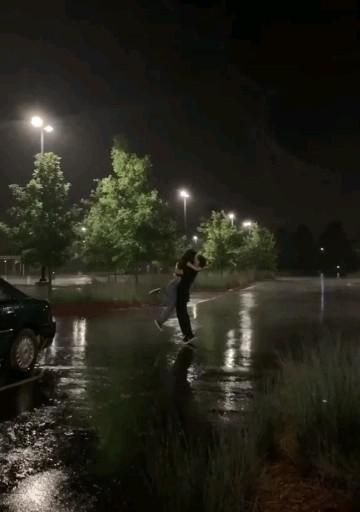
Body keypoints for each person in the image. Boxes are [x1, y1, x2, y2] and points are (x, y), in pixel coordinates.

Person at [154, 249, 203, 331]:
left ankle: (160, 321)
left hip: (176, 287)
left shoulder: (188, 265)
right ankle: (159, 321)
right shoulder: (184, 264)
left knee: (173, 306)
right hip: (173, 287)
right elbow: (181, 272)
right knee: (172, 305)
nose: (196, 258)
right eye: (195, 257)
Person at [176, 253, 207, 343]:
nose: (194, 260)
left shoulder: (191, 271)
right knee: (182, 314)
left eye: (196, 260)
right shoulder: (192, 269)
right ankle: (187, 335)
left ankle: (188, 335)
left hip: (182, 293)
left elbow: (178, 271)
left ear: (198, 263)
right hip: (183, 293)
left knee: (182, 314)